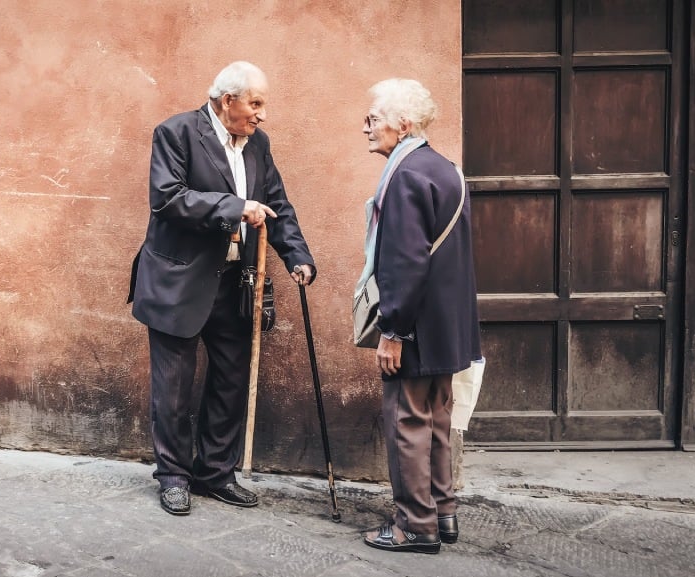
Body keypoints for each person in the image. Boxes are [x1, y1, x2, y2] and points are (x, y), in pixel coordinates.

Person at [127, 61, 317, 516]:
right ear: (227, 100)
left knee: (231, 383)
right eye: (255, 103)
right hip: (178, 282)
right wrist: (234, 207)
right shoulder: (175, 133)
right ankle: (173, 476)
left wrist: (298, 256)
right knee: (172, 389)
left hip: (235, 283)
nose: (262, 114)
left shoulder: (259, 144)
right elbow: (169, 198)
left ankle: (215, 472)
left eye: (262, 104)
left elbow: (276, 204)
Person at [358, 78, 481, 554]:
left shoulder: (405, 173)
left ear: (403, 124)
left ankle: (415, 525)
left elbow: (405, 261)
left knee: (408, 421)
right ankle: (443, 513)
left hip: (415, 328)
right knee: (436, 419)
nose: (366, 126)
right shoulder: (445, 168)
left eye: (374, 118)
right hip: (446, 327)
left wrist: (393, 330)